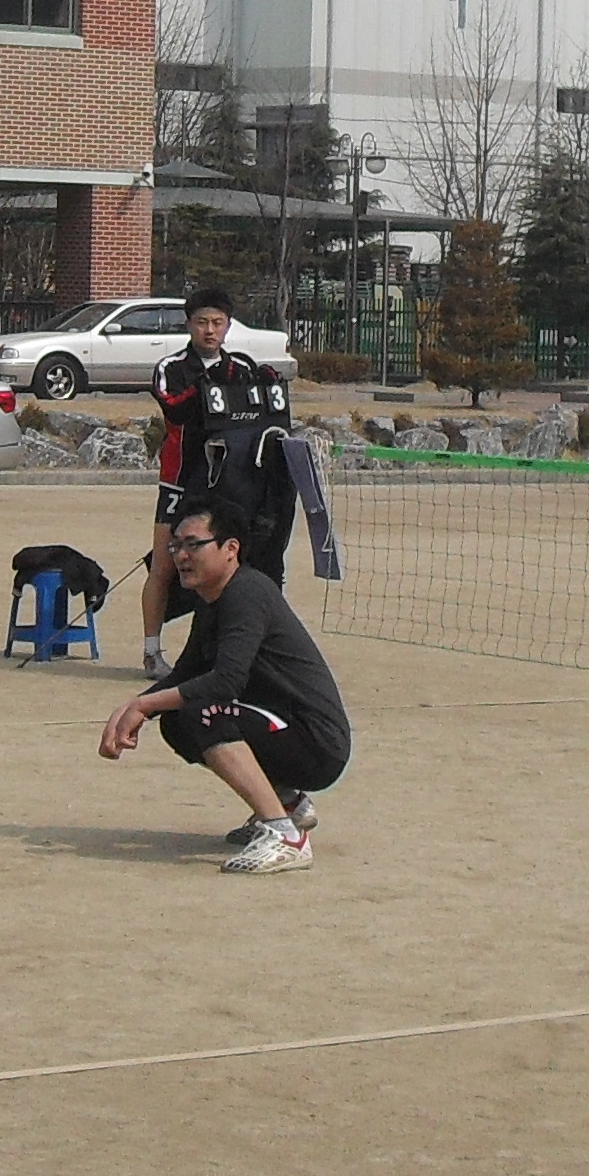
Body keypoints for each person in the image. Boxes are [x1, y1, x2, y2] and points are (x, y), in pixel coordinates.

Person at [100, 500, 349, 874]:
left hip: (316, 741)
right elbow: (185, 674)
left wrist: (144, 706)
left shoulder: (247, 592)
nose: (181, 555)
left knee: (203, 711)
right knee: (178, 717)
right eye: (175, 546)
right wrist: (133, 707)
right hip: (280, 727)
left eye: (193, 544)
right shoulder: (213, 600)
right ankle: (288, 805)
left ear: (230, 549)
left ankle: (286, 837)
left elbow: (224, 682)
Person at [138, 285, 294, 673]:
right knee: (165, 564)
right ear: (189, 325)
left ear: (228, 326)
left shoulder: (240, 368)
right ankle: (151, 649)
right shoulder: (171, 367)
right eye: (202, 322)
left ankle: (223, 648)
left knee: (225, 567)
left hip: (228, 481)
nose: (210, 331)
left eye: (218, 323)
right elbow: (173, 409)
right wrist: (204, 387)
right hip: (180, 478)